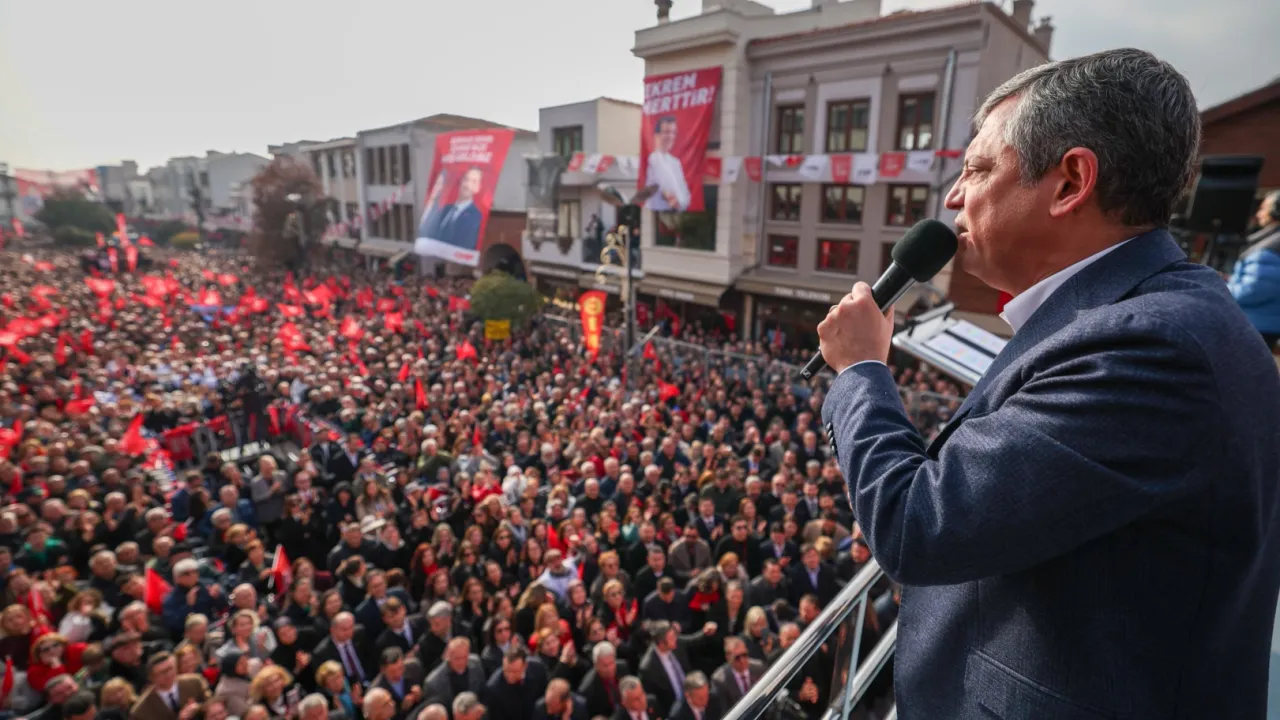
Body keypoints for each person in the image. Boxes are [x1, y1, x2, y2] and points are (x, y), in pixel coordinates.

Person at [816, 48, 1280, 717]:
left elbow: (919, 524)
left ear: (1071, 183)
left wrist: (861, 370)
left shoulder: (1152, 347)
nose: (953, 197)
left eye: (978, 168)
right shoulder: (1150, 317)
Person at [1227, 189, 1280, 348]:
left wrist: (1223, 288)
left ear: (1275, 211)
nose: (1259, 214)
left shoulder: (1270, 247)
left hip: (1256, 326)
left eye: (1263, 208)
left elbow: (1253, 290)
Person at [129, 651, 210, 720]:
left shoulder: (195, 682)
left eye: (170, 668)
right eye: (162, 672)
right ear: (152, 678)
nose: (168, 674)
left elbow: (211, 705)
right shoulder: (141, 711)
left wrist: (198, 708)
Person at [643, 117, 691, 212]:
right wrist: (669, 196)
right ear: (657, 135)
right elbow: (659, 187)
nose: (670, 136)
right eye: (666, 132)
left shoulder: (675, 162)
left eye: (673, 132)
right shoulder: (652, 159)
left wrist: (679, 201)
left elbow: (685, 194)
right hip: (658, 212)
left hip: (676, 212)